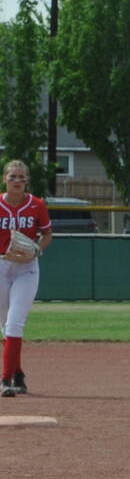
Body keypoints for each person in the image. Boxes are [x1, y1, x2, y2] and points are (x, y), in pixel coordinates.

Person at [0, 159, 50, 397]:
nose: (17, 181)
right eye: (13, 177)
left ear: (27, 180)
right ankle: (18, 372)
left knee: (14, 323)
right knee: (4, 325)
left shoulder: (37, 204)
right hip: (1, 265)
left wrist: (37, 249)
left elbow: (47, 234)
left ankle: (5, 380)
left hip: (27, 268)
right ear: (4, 179)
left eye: (21, 177)